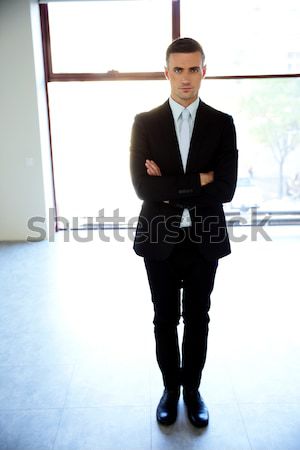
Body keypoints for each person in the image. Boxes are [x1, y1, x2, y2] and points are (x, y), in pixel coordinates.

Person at [130, 37, 238, 427]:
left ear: (204, 71)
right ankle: (170, 389)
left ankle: (192, 390)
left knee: (198, 318)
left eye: (194, 69)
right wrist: (199, 179)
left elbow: (225, 189)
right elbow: (143, 189)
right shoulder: (145, 123)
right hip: (159, 239)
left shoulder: (222, 124)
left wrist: (171, 184)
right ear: (166, 72)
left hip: (204, 239)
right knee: (163, 319)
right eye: (178, 69)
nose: (186, 78)